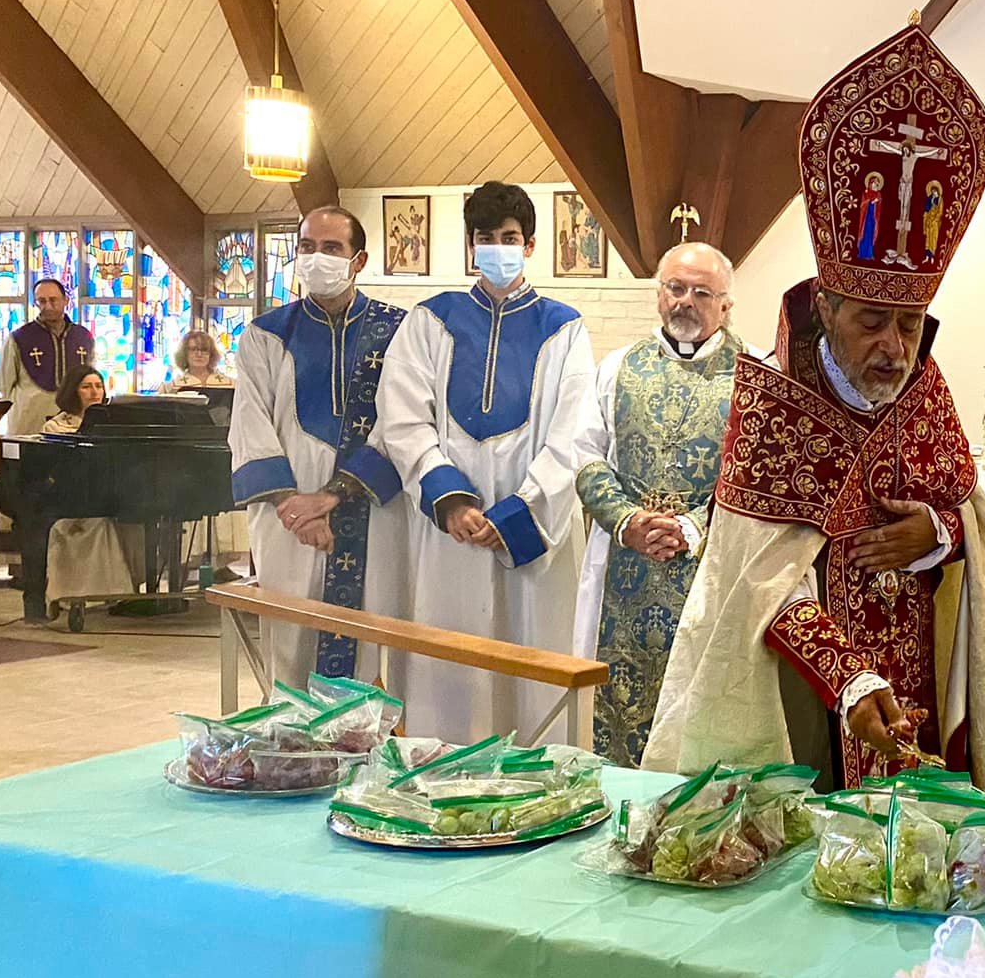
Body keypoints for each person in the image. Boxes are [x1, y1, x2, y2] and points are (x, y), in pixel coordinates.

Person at [643, 23, 985, 789]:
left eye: (909, 324)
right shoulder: (774, 401)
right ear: (828, 309)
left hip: (909, 653)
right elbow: (762, 578)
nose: (895, 348)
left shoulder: (926, 389)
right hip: (808, 684)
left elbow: (969, 516)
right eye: (873, 323)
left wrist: (936, 535)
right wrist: (850, 679)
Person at [374, 181, 600, 743]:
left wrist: (521, 512)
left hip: (530, 532)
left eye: (510, 237)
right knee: (448, 660)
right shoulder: (430, 321)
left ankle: (540, 788)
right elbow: (400, 417)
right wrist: (447, 497)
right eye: (485, 238)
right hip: (449, 531)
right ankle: (442, 776)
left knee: (535, 664)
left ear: (529, 246)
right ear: (470, 246)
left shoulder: (564, 327)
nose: (497, 248)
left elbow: (576, 432)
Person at [572, 241, 750, 765]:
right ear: (658, 294)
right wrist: (625, 520)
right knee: (617, 718)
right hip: (624, 571)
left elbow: (761, 478)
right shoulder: (617, 367)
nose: (685, 302)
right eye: (675, 288)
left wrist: (693, 527)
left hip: (713, 570)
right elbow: (583, 454)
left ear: (725, 305)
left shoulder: (759, 375)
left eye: (701, 292)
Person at [229, 205, 409, 683]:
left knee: (374, 641)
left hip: (373, 509)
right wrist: (292, 506)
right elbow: (249, 421)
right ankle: (294, 750)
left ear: (359, 259)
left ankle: (368, 748)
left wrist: (330, 498)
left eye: (332, 248)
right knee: (291, 638)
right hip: (287, 520)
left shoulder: (400, 331)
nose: (316, 258)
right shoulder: (266, 334)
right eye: (307, 247)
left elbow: (405, 423)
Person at [36, 366, 140, 614]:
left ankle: (127, 593)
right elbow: (55, 470)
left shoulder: (114, 423)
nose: (94, 392)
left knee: (138, 520)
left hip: (110, 494)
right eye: (86, 386)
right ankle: (74, 594)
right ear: (73, 391)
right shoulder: (57, 426)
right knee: (95, 522)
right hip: (72, 498)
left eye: (98, 386)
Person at [0, 279, 95, 434]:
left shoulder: (83, 337)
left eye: (53, 300)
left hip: (72, 423)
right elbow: (4, 385)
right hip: (29, 421)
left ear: (66, 300)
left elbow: (92, 380)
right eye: (41, 301)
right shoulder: (18, 338)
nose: (48, 306)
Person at [168, 330, 235, 390]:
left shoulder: (231, 384)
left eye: (204, 350)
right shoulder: (172, 387)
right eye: (193, 349)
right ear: (184, 354)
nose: (199, 354)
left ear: (211, 354)